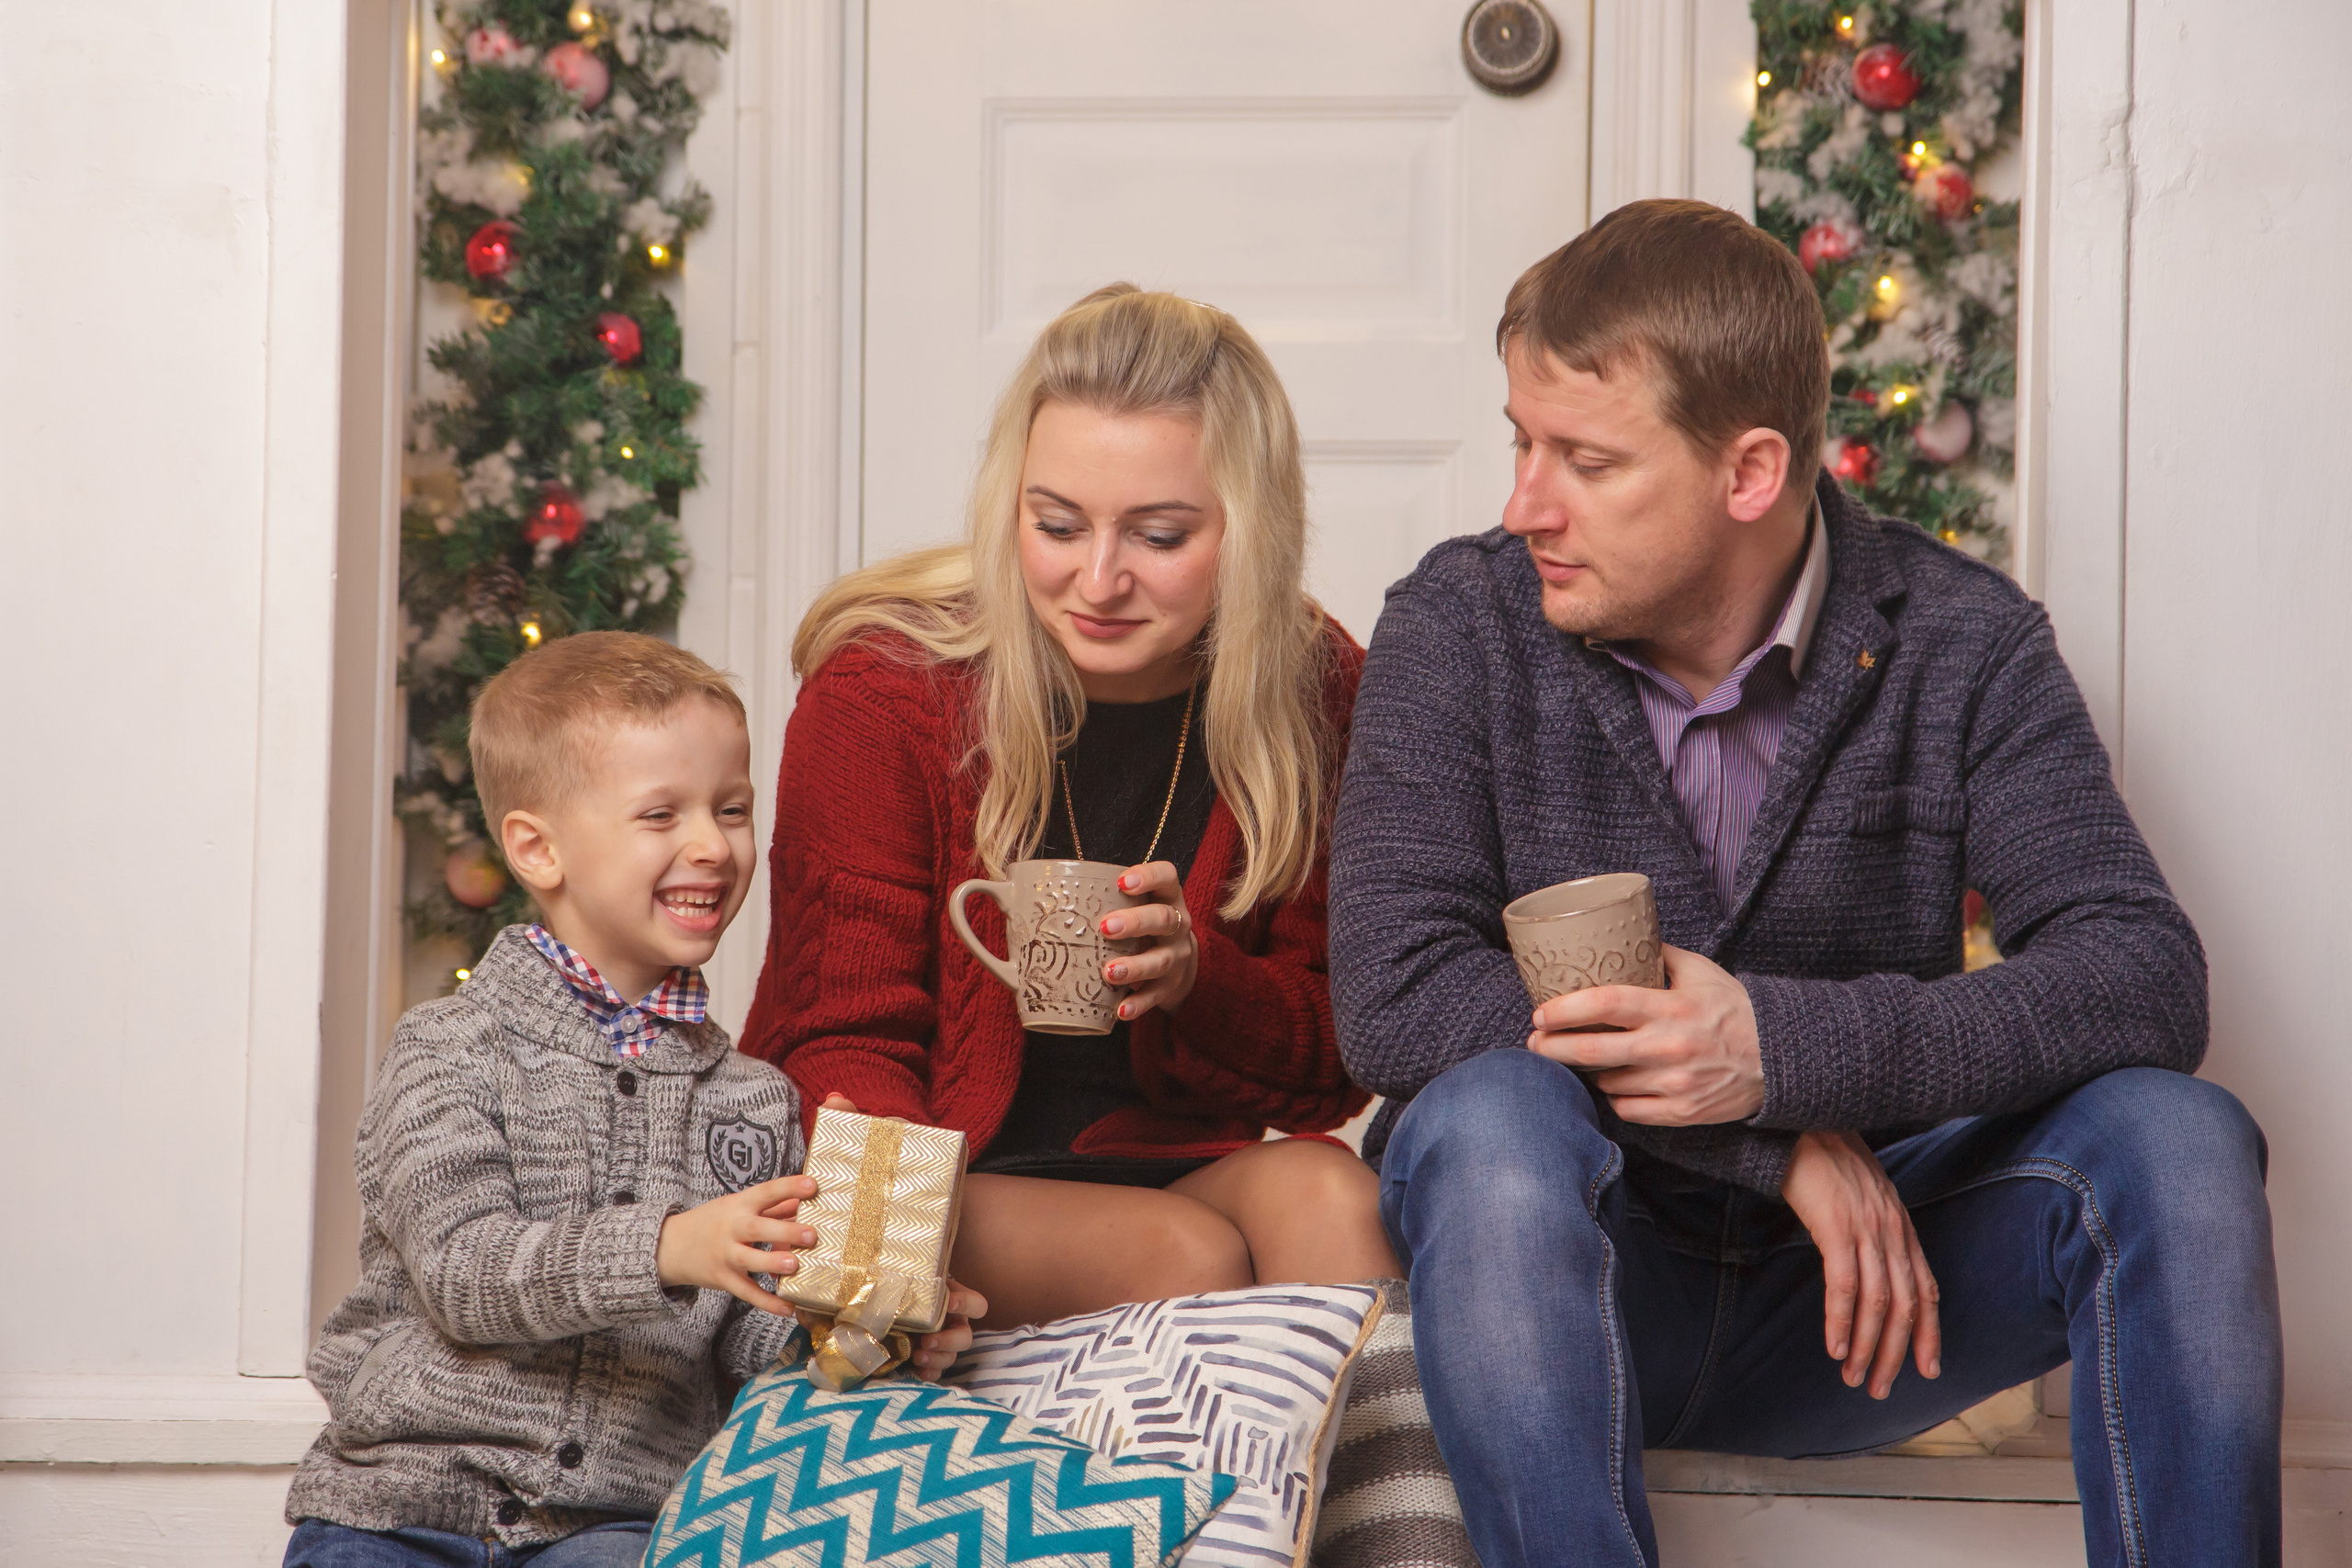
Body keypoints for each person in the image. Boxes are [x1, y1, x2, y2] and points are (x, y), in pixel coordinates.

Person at [1330, 200, 2281, 1567]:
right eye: (1521, 441)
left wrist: (1783, 1049)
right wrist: (1772, 1141)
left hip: (1872, 1304)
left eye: (1586, 460)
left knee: (2180, 1136)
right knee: (1487, 1115)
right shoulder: (1462, 621)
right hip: (1579, 1287)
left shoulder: (1964, 640)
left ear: (1751, 470)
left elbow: (2140, 971)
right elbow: (1398, 992)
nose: (1523, 503)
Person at [740, 284, 1399, 1329]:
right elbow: (841, 1042)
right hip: (932, 1171)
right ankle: (1182, 1494)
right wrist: (888, 1274)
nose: (1098, 581)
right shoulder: (886, 688)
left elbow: (1333, 1069)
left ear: (1249, 532)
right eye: (1056, 524)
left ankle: (1383, 1501)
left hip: (1176, 1162)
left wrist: (1197, 980)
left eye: (1160, 536)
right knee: (1186, 1257)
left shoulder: (1315, 692)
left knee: (1337, 1201)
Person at [284, 633, 982, 1565]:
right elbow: (464, 1274)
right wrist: (667, 1248)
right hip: (406, 1506)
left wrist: (865, 1327)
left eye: (731, 809)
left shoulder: (755, 1102)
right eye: (661, 815)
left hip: (615, 1525)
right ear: (537, 849)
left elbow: (745, 1356)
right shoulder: (447, 1048)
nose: (712, 844)